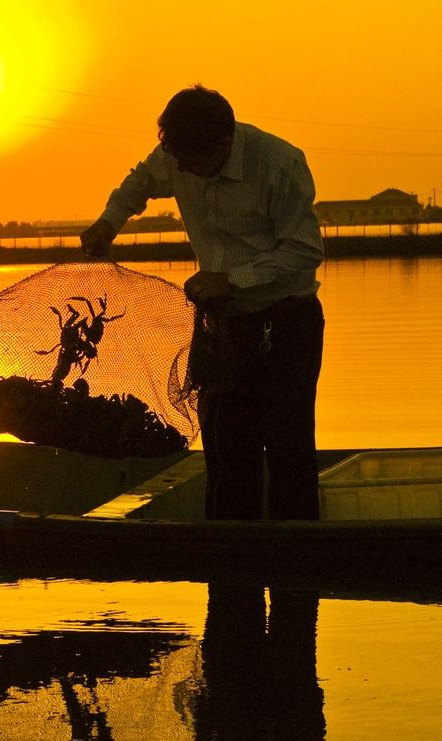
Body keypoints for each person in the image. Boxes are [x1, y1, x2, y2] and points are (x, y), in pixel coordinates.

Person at [81, 85, 325, 520]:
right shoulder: (177, 158)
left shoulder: (278, 164)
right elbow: (139, 183)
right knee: (227, 452)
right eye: (178, 161)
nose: (184, 172)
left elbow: (304, 251)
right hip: (223, 328)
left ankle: (296, 568)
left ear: (224, 144)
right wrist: (108, 222)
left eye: (194, 162)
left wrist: (231, 280)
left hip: (286, 326)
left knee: (289, 451)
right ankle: (230, 568)